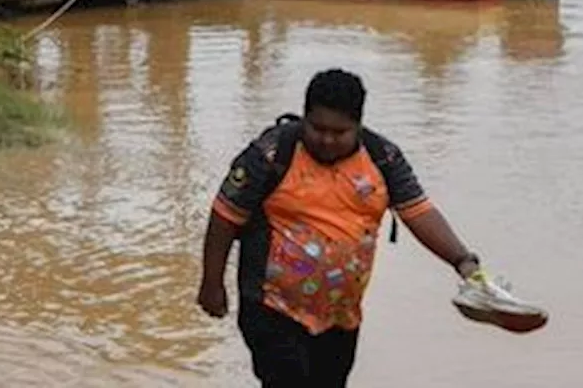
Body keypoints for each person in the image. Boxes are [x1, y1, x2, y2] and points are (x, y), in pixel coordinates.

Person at [197, 68, 482, 388]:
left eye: (339, 131)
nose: (327, 140)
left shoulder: (382, 158)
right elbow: (225, 216)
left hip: (341, 315)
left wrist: (463, 261)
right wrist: (212, 283)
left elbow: (419, 212)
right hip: (271, 307)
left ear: (358, 125)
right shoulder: (271, 154)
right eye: (317, 128)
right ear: (304, 118)